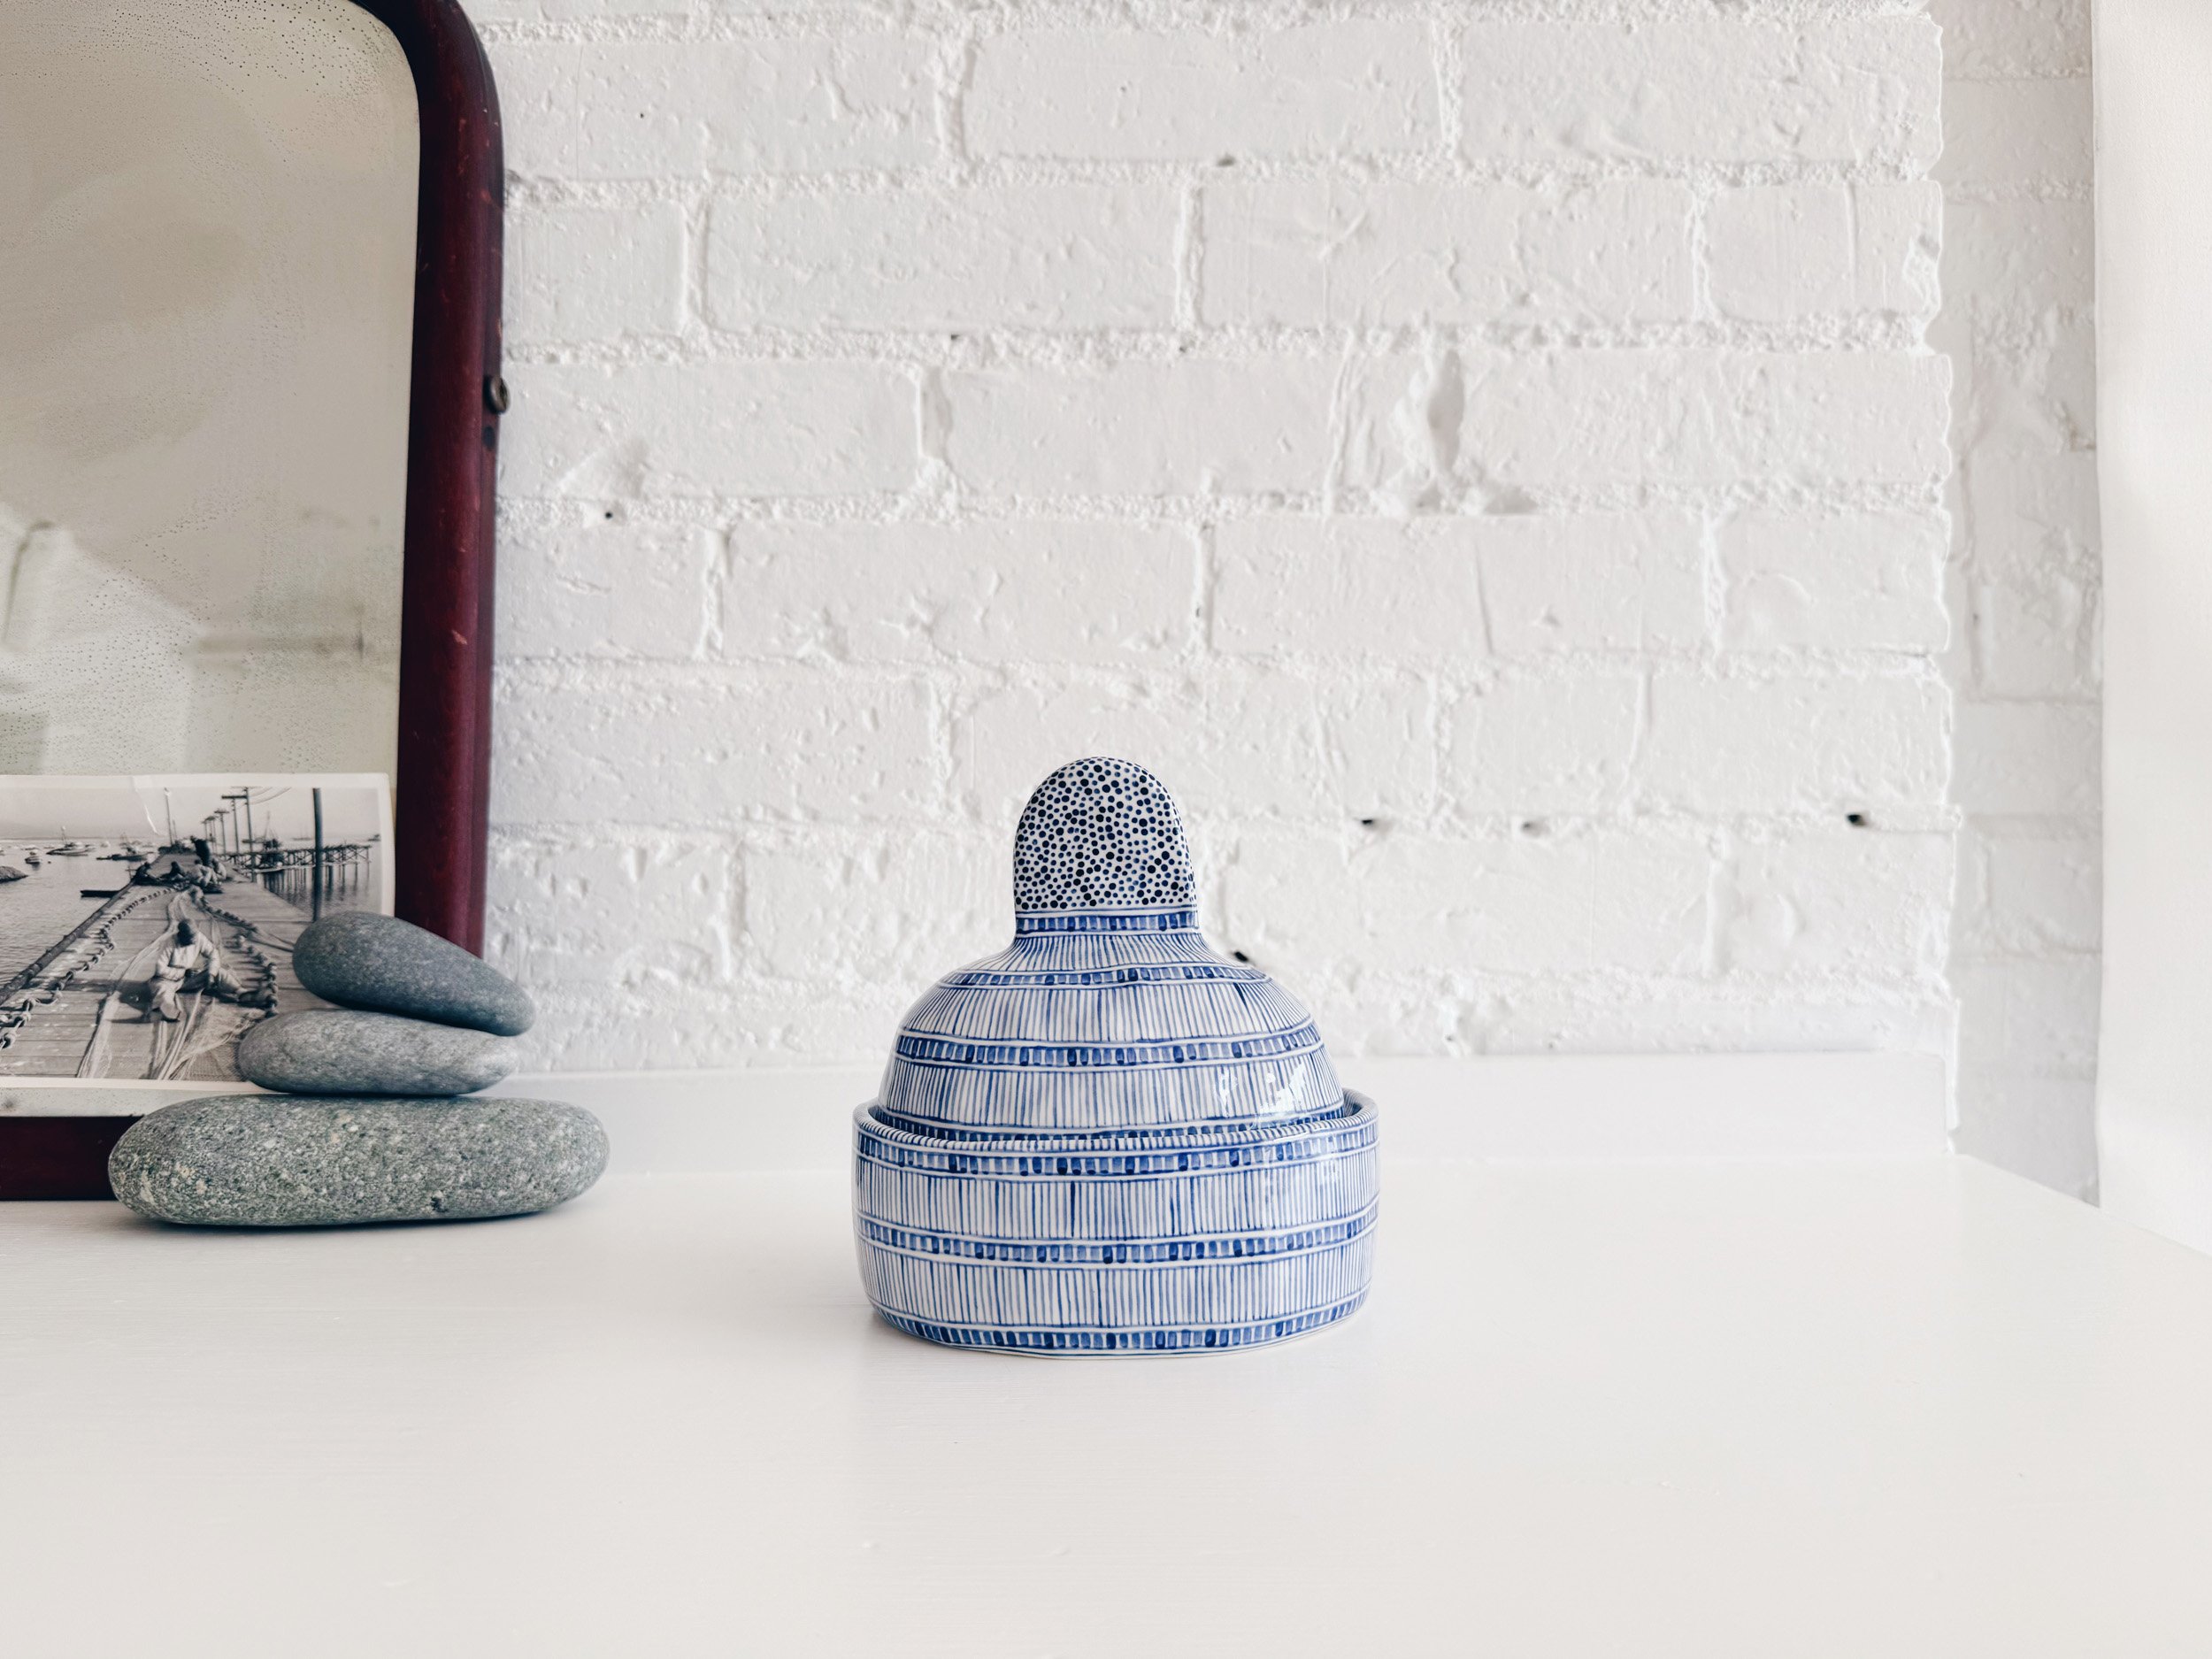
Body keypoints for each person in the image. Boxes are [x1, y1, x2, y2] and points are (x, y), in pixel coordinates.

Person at [147, 919, 262, 1021]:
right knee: (162, 990)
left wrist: (211, 974)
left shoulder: (198, 937)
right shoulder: (168, 944)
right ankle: (168, 1010)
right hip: (166, 980)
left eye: (194, 936)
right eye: (190, 937)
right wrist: (182, 972)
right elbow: (160, 970)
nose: (193, 940)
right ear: (181, 935)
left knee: (219, 972)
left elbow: (213, 954)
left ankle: (242, 993)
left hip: (188, 979)